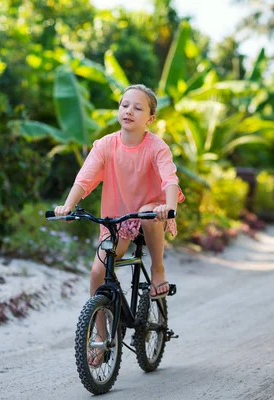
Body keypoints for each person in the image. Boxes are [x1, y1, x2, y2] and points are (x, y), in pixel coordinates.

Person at [54, 85, 184, 365]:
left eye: (138, 108)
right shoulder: (105, 145)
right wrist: (68, 205)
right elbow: (84, 179)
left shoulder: (156, 147)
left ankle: (157, 270)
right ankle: (101, 338)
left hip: (152, 214)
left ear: (150, 118)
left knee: (149, 210)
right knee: (98, 272)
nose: (129, 111)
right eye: (125, 105)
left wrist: (169, 208)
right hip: (117, 220)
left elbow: (170, 180)